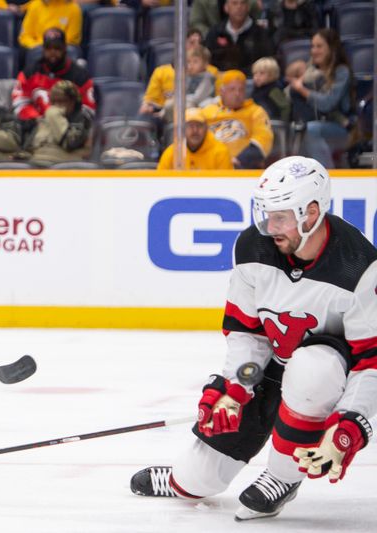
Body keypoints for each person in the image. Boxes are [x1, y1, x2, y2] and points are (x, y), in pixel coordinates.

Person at [131, 155, 377, 521]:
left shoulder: (359, 267)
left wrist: (349, 425)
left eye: (280, 216)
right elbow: (246, 331)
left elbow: (370, 360)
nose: (268, 226)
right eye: (264, 213)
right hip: (269, 369)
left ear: (311, 212)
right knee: (197, 479)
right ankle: (185, 479)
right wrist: (236, 387)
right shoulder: (253, 248)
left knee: (314, 367)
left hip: (324, 377)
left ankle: (282, 476)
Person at [289, 29, 354, 169]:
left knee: (311, 130)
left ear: (331, 48)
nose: (314, 50)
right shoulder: (310, 73)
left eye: (319, 46)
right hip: (315, 126)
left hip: (341, 128)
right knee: (300, 132)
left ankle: (327, 175)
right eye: (312, 46)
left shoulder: (341, 72)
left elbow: (327, 103)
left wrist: (302, 90)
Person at [11, 27, 95, 131]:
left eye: (57, 48)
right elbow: (19, 102)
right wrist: (36, 119)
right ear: (43, 49)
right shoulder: (29, 72)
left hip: (68, 130)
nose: (52, 52)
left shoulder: (80, 76)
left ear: (65, 49)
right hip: (36, 127)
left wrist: (62, 124)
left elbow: (89, 111)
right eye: (48, 48)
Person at [202, 70, 273, 169]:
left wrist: (240, 160)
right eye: (232, 89)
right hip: (210, 167)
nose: (237, 93)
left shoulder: (256, 112)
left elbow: (263, 141)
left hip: (242, 167)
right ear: (222, 91)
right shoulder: (207, 111)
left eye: (241, 89)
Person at [25, 79, 92, 165]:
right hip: (39, 163)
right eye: (53, 102)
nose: (57, 106)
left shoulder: (81, 118)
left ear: (73, 102)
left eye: (62, 101)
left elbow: (70, 143)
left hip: (67, 165)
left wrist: (54, 116)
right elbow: (28, 147)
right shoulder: (47, 117)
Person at [204, 0, 274, 76]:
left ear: (248, 7)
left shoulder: (261, 34)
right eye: (234, 3)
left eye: (243, 3)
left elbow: (266, 63)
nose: (239, 7)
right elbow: (207, 61)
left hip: (251, 81)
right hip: (218, 80)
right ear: (226, 7)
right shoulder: (215, 32)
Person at [157, 107, 233, 170]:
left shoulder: (220, 152)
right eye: (190, 126)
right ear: (183, 129)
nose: (195, 130)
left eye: (199, 125)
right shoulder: (172, 153)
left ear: (206, 128)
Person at [18, 0, 82, 50]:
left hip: (63, 49)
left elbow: (72, 39)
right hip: (38, 47)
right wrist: (37, 46)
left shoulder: (74, 8)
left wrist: (54, 47)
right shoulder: (35, 5)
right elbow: (25, 36)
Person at [190, 0, 260, 37]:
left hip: (246, 38)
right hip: (212, 39)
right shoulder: (202, 1)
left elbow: (257, 21)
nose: (239, 6)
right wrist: (212, 35)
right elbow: (196, 23)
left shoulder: (251, 3)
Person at [251, 57, 290, 122]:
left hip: (272, 121)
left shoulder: (273, 90)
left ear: (271, 75)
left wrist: (283, 124)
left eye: (261, 73)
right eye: (255, 73)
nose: (257, 77)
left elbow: (285, 107)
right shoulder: (257, 88)